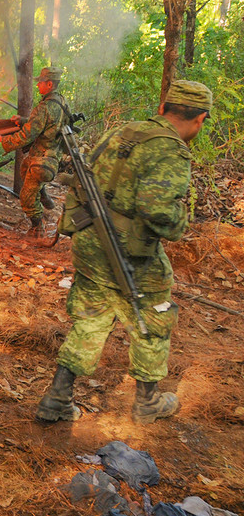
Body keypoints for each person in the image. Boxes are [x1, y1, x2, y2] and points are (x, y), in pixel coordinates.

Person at [36, 79, 213, 424]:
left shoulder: (126, 131)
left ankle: (57, 397)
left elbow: (85, 172)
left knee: (90, 316)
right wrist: (181, 222)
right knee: (154, 314)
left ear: (162, 109)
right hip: (128, 249)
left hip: (89, 240)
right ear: (200, 119)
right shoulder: (172, 150)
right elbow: (159, 210)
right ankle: (147, 402)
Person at [0, 66, 70, 239]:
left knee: (26, 197)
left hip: (43, 161)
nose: (38, 86)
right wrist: (24, 120)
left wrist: (3, 140)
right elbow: (47, 125)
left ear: (49, 84)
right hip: (52, 157)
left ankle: (38, 227)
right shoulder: (60, 102)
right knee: (24, 166)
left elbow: (27, 136)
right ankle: (43, 195)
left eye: (41, 83)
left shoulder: (45, 107)